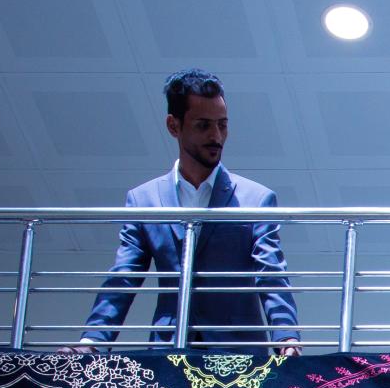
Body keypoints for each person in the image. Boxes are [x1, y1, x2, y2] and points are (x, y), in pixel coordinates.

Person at [78, 68, 300, 354]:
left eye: (222, 125)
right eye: (203, 125)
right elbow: (124, 276)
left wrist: (285, 337)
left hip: (239, 352)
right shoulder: (143, 199)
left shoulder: (256, 199)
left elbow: (271, 274)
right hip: (168, 350)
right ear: (174, 126)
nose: (216, 136)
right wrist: (93, 341)